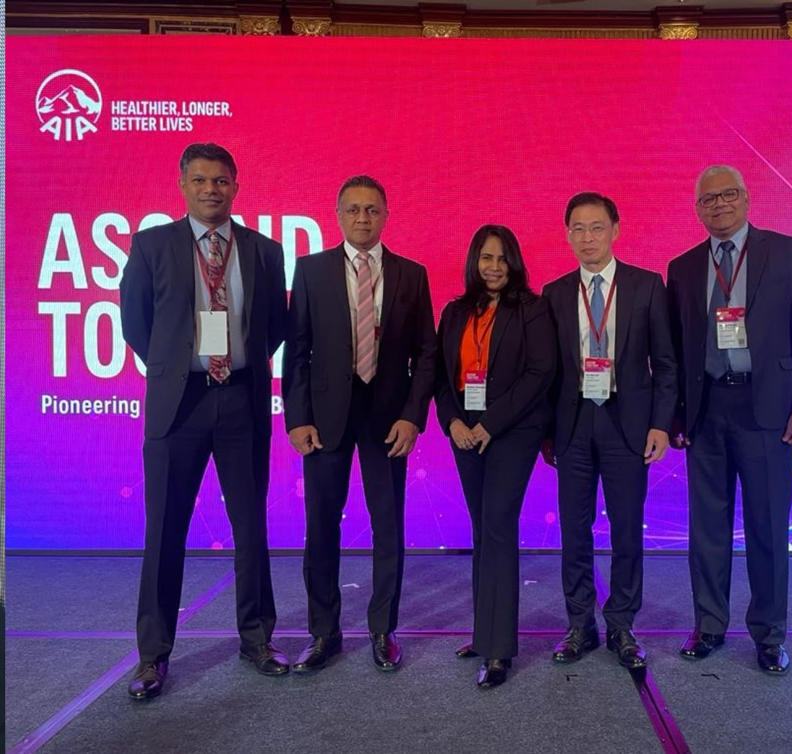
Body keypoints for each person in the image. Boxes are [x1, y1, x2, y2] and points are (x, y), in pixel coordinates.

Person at [120, 143, 289, 699]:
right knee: (165, 530)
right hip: (180, 403)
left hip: (241, 398)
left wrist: (232, 361)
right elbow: (136, 323)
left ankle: (257, 639)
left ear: (236, 185)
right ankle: (153, 656)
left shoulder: (265, 251)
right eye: (199, 180)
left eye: (220, 180)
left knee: (250, 526)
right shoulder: (151, 245)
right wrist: (177, 366)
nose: (210, 189)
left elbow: (275, 325)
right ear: (182, 185)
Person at [667, 165, 792, 674]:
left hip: (769, 410)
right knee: (707, 529)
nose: (719, 204)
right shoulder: (683, 267)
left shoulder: (788, 252)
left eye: (727, 194)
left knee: (767, 526)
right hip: (706, 410)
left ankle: (770, 635)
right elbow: (676, 350)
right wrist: (675, 414)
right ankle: (709, 625)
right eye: (707, 199)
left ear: (747, 198)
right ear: (697, 209)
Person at [283, 175, 436, 673]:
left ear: (386, 214)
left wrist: (413, 417)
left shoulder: (412, 274)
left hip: (388, 418)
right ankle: (323, 633)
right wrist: (297, 419)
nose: (363, 218)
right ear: (338, 215)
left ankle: (382, 629)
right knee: (321, 524)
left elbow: (427, 354)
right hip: (325, 419)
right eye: (353, 209)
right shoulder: (311, 270)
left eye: (372, 209)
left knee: (387, 525)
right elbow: (297, 351)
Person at [542, 193, 677, 669]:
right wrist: (546, 432)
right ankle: (580, 625)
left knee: (626, 529)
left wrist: (661, 424)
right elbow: (548, 372)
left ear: (616, 230)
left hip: (629, 424)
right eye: (577, 229)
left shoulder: (646, 285)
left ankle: (621, 624)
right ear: (567, 235)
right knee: (574, 530)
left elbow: (665, 363)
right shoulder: (555, 293)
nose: (587, 238)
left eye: (596, 227)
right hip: (574, 423)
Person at [435, 225, 556, 688]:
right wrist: (453, 422)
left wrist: (490, 424)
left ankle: (500, 648)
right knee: (483, 529)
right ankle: (484, 633)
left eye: (502, 258)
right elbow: (440, 376)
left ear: (514, 263)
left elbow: (539, 373)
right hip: (465, 433)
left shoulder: (532, 309)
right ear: (474, 261)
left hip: (512, 431)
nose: (494, 267)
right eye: (486, 257)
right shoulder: (455, 311)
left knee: (499, 527)